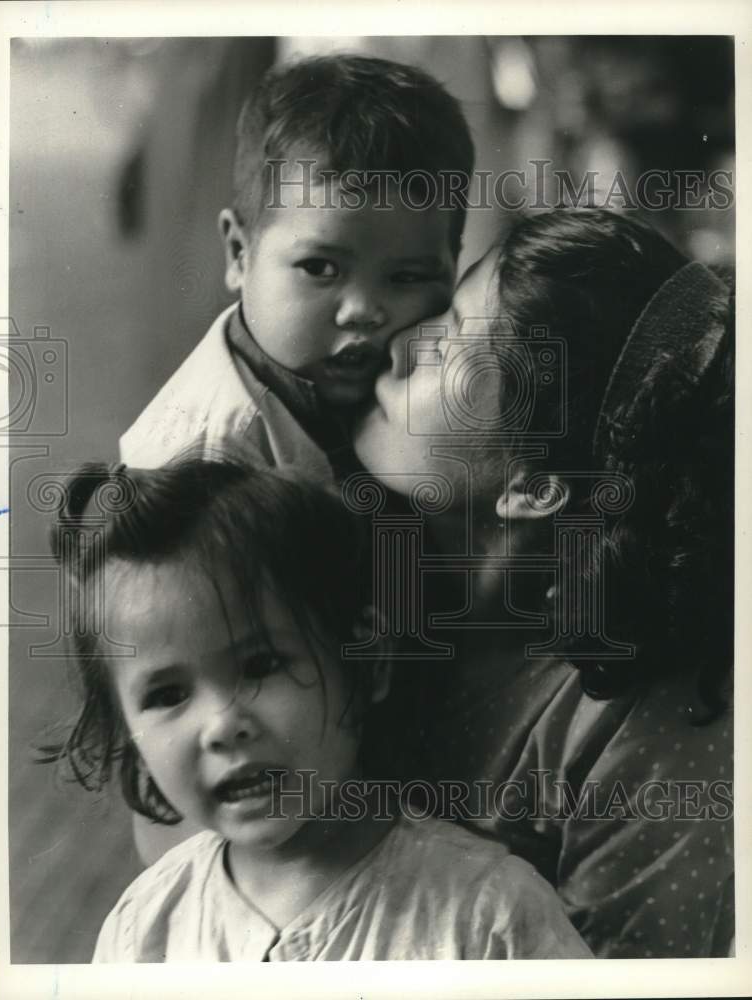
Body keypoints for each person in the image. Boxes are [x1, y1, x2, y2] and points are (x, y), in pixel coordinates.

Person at [353, 207, 734, 958]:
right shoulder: (363, 557)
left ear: (533, 487)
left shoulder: (652, 731)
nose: (398, 347)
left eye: (449, 344)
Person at [44, 455, 591, 962]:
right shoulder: (144, 930)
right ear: (131, 737)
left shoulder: (489, 914)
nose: (223, 725)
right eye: (166, 696)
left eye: (261, 665)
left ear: (367, 662)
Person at [119, 54, 474, 481]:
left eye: (407, 277)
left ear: (453, 267)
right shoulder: (208, 465)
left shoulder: (420, 390)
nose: (363, 310)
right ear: (238, 253)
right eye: (320, 267)